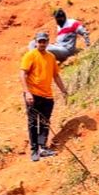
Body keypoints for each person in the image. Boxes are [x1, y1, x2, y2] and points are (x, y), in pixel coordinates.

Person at [20, 31, 69, 162]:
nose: (42, 44)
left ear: (48, 42)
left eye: (44, 41)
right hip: (33, 95)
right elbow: (22, 74)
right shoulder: (30, 56)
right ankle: (34, 150)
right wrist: (27, 92)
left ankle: (43, 148)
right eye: (40, 41)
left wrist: (63, 90)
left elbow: (56, 75)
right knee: (33, 123)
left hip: (47, 96)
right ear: (35, 42)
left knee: (45, 122)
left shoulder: (51, 57)